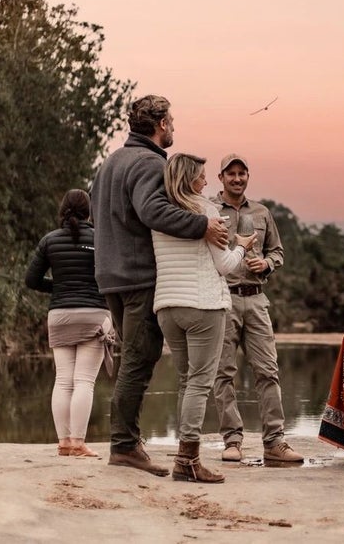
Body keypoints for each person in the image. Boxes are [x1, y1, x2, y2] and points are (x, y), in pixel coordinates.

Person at [91, 95, 229, 476]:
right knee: (139, 358)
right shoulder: (150, 163)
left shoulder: (111, 162)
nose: (174, 128)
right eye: (172, 121)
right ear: (161, 125)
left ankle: (127, 440)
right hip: (137, 276)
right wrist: (203, 226)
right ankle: (123, 446)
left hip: (110, 273)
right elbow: (151, 211)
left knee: (130, 357)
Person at [152, 154, 257, 483]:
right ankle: (188, 461)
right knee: (200, 383)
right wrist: (241, 246)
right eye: (201, 176)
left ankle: (185, 453)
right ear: (189, 178)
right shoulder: (206, 210)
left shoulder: (161, 213)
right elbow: (225, 266)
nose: (206, 181)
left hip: (167, 306)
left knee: (186, 381)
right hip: (202, 306)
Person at [210, 153, 303, 463]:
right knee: (223, 373)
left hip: (257, 299)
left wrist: (266, 263)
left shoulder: (262, 213)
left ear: (248, 177)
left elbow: (277, 252)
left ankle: (275, 442)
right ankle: (232, 441)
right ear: (220, 177)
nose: (237, 178)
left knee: (268, 371)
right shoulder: (209, 211)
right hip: (222, 299)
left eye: (242, 173)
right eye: (231, 173)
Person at [25, 189, 112, 459]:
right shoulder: (100, 239)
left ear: (63, 210)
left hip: (60, 315)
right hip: (94, 314)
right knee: (84, 381)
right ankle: (78, 442)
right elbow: (112, 277)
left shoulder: (49, 241)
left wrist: (60, 288)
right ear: (89, 213)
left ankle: (64, 442)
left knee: (63, 380)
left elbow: (31, 280)